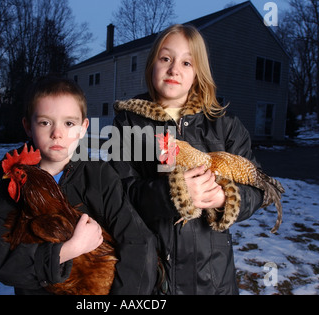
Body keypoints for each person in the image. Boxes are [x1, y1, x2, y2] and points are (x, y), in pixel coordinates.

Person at [111, 24, 264, 295]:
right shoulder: (128, 124)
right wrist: (173, 193)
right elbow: (118, 193)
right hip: (150, 276)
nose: (174, 69)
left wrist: (225, 198)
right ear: (152, 65)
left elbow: (257, 190)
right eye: (165, 58)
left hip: (212, 278)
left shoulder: (224, 126)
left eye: (186, 62)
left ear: (198, 73)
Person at [0, 77, 157, 295]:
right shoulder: (13, 184)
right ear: (27, 126)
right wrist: (68, 250)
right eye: (45, 122)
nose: (57, 133)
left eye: (69, 123)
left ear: (83, 128)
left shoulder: (99, 177)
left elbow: (138, 242)